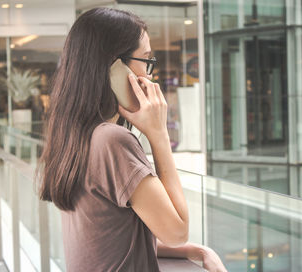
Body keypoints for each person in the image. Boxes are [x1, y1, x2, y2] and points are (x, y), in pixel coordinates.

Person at [38, 7, 227, 272]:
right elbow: (176, 231)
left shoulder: (75, 134)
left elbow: (110, 240)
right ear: (115, 67)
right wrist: (159, 135)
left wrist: (198, 250)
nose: (150, 76)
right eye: (146, 61)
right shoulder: (112, 141)